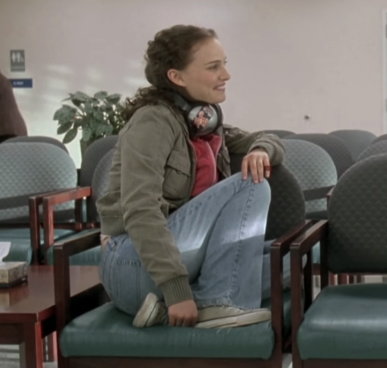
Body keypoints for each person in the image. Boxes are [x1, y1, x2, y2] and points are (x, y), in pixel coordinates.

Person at [96, 24, 286, 329]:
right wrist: (176, 292)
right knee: (251, 185)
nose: (226, 75)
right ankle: (215, 301)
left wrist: (261, 149)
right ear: (177, 76)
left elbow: (270, 139)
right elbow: (140, 211)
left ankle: (188, 303)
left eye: (225, 64)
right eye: (214, 67)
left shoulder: (204, 123)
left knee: (297, 258)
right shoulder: (153, 121)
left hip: (185, 261)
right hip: (136, 264)